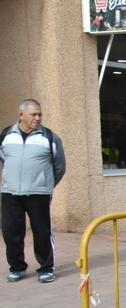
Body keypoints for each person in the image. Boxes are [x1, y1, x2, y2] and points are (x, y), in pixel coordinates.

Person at [1, 99, 66, 283]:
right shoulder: (6, 135)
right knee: (11, 232)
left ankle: (46, 268)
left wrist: (46, 184)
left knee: (42, 231)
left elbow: (60, 166)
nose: (37, 118)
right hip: (10, 193)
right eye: (33, 114)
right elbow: (5, 159)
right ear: (21, 115)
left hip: (39, 193)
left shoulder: (49, 137)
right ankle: (17, 268)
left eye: (39, 114)